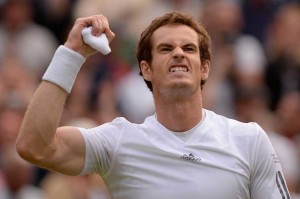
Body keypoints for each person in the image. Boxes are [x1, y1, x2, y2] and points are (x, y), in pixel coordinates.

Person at [16, 12, 291, 198]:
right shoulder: (117, 142)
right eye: (165, 49)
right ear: (146, 70)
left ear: (205, 68)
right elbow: (35, 146)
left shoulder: (250, 139)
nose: (179, 53)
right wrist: (71, 53)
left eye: (189, 48)